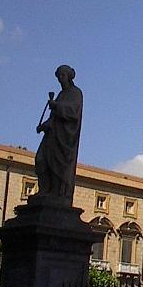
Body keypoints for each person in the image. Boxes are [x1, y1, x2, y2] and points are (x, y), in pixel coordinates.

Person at [35, 65, 83, 201]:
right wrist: (43, 126)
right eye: (58, 76)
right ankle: (44, 189)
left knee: (58, 165)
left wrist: (56, 105)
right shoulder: (61, 95)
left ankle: (55, 193)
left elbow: (74, 112)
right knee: (41, 159)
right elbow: (53, 118)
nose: (60, 79)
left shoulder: (76, 93)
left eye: (62, 75)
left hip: (64, 139)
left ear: (68, 76)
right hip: (52, 136)